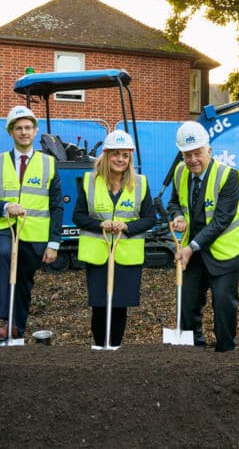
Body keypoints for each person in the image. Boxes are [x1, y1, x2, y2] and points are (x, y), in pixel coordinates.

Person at [0, 105, 63, 341]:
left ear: (35, 131)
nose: (24, 132)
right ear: (10, 132)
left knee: (25, 280)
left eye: (28, 127)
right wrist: (5, 206)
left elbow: (56, 206)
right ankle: (6, 319)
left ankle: (17, 328)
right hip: (2, 227)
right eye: (18, 128)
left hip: (34, 233)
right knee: (4, 253)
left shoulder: (49, 163)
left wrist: (54, 243)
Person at [167, 121, 239, 352]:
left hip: (224, 250)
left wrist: (191, 247)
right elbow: (173, 203)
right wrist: (178, 215)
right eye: (187, 154)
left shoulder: (229, 176)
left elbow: (222, 220)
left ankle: (226, 351)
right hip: (193, 251)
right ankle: (193, 350)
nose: (192, 159)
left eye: (197, 153)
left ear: (208, 151)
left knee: (223, 303)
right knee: (187, 301)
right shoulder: (180, 172)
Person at [72, 130, 156, 347]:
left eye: (125, 155)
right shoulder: (90, 181)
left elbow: (149, 219)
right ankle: (100, 347)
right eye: (116, 154)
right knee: (100, 305)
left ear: (130, 158)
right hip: (98, 253)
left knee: (120, 305)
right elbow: (78, 216)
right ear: (106, 155)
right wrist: (100, 224)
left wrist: (127, 226)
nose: (120, 159)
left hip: (127, 254)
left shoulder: (140, 183)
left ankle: (116, 348)